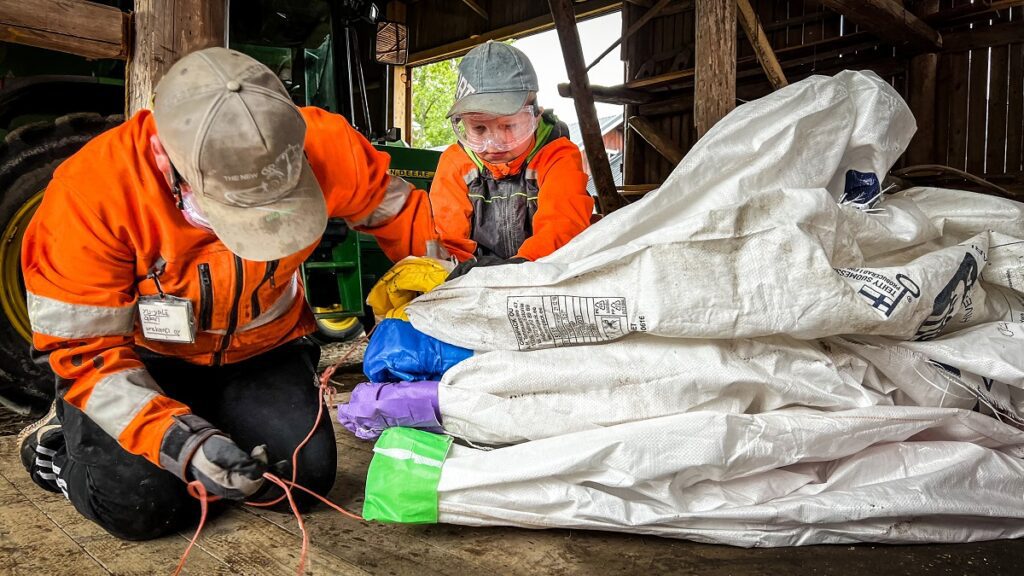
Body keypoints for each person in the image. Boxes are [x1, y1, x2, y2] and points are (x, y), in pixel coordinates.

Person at [17, 47, 436, 541]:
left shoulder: (325, 144)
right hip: (146, 361)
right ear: (168, 162)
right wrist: (181, 443)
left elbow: (402, 215)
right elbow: (84, 352)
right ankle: (58, 446)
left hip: (264, 350)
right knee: (143, 506)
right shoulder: (92, 197)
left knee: (299, 481)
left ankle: (212, 417)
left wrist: (435, 301)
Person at [429, 41, 594, 278]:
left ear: (535, 116)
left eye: (508, 126)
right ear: (463, 124)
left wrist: (517, 269)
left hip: (546, 277)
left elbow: (562, 226)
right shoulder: (455, 163)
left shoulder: (558, 157)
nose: (493, 143)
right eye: (478, 128)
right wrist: (455, 272)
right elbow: (448, 240)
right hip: (472, 283)